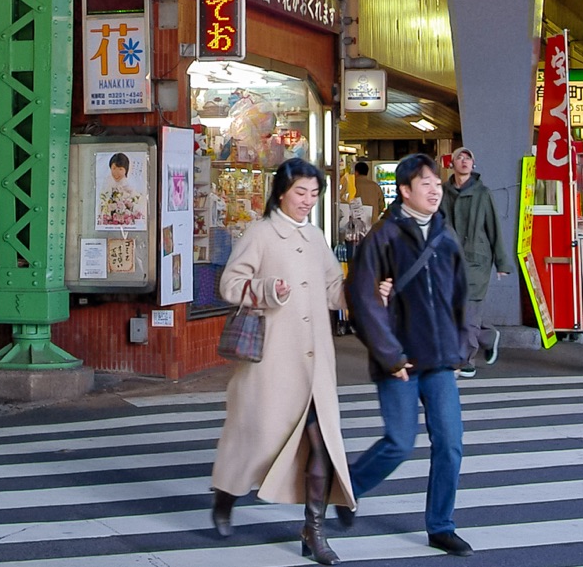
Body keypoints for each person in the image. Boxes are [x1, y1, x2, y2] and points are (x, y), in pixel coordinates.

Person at [210, 159, 355, 563]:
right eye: (300, 193)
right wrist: (267, 289)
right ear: (281, 193)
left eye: (314, 194)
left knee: (320, 445)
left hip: (315, 365)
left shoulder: (315, 237)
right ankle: (225, 497)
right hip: (271, 362)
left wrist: (365, 292)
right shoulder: (260, 233)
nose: (308, 201)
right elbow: (229, 284)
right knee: (254, 442)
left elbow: (332, 289)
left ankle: (314, 531)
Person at [346, 152, 472, 556]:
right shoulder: (382, 237)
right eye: (426, 184)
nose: (435, 190)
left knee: (450, 442)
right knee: (400, 443)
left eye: (438, 183)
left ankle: (441, 525)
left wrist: (461, 349)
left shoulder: (445, 235)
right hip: (398, 361)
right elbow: (363, 300)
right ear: (404, 191)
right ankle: (346, 487)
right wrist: (390, 355)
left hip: (438, 360)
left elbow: (461, 298)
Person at [440, 147, 512, 376]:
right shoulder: (442, 192)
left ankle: (466, 359)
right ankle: (487, 336)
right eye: (459, 158)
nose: (464, 161)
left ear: (473, 164)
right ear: (451, 164)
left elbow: (494, 229)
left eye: (468, 158)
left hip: (476, 261)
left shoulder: (483, 193)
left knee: (469, 310)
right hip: (449, 261)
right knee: (454, 310)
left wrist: (502, 263)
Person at [351, 161, 386, 226]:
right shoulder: (375, 186)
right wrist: (374, 215)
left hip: (355, 223)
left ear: (356, 172)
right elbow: (382, 206)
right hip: (372, 222)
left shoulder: (352, 185)